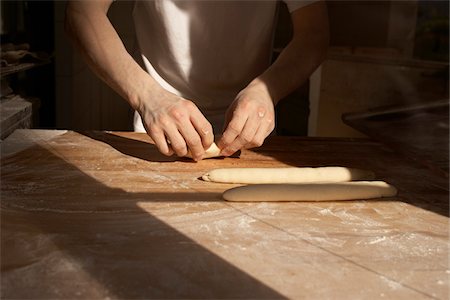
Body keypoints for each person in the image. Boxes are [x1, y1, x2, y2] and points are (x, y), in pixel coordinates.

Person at [65, 0, 329, 161]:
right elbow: (82, 12)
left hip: (252, 134)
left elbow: (314, 33)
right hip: (158, 131)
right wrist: (148, 97)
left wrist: (265, 90)